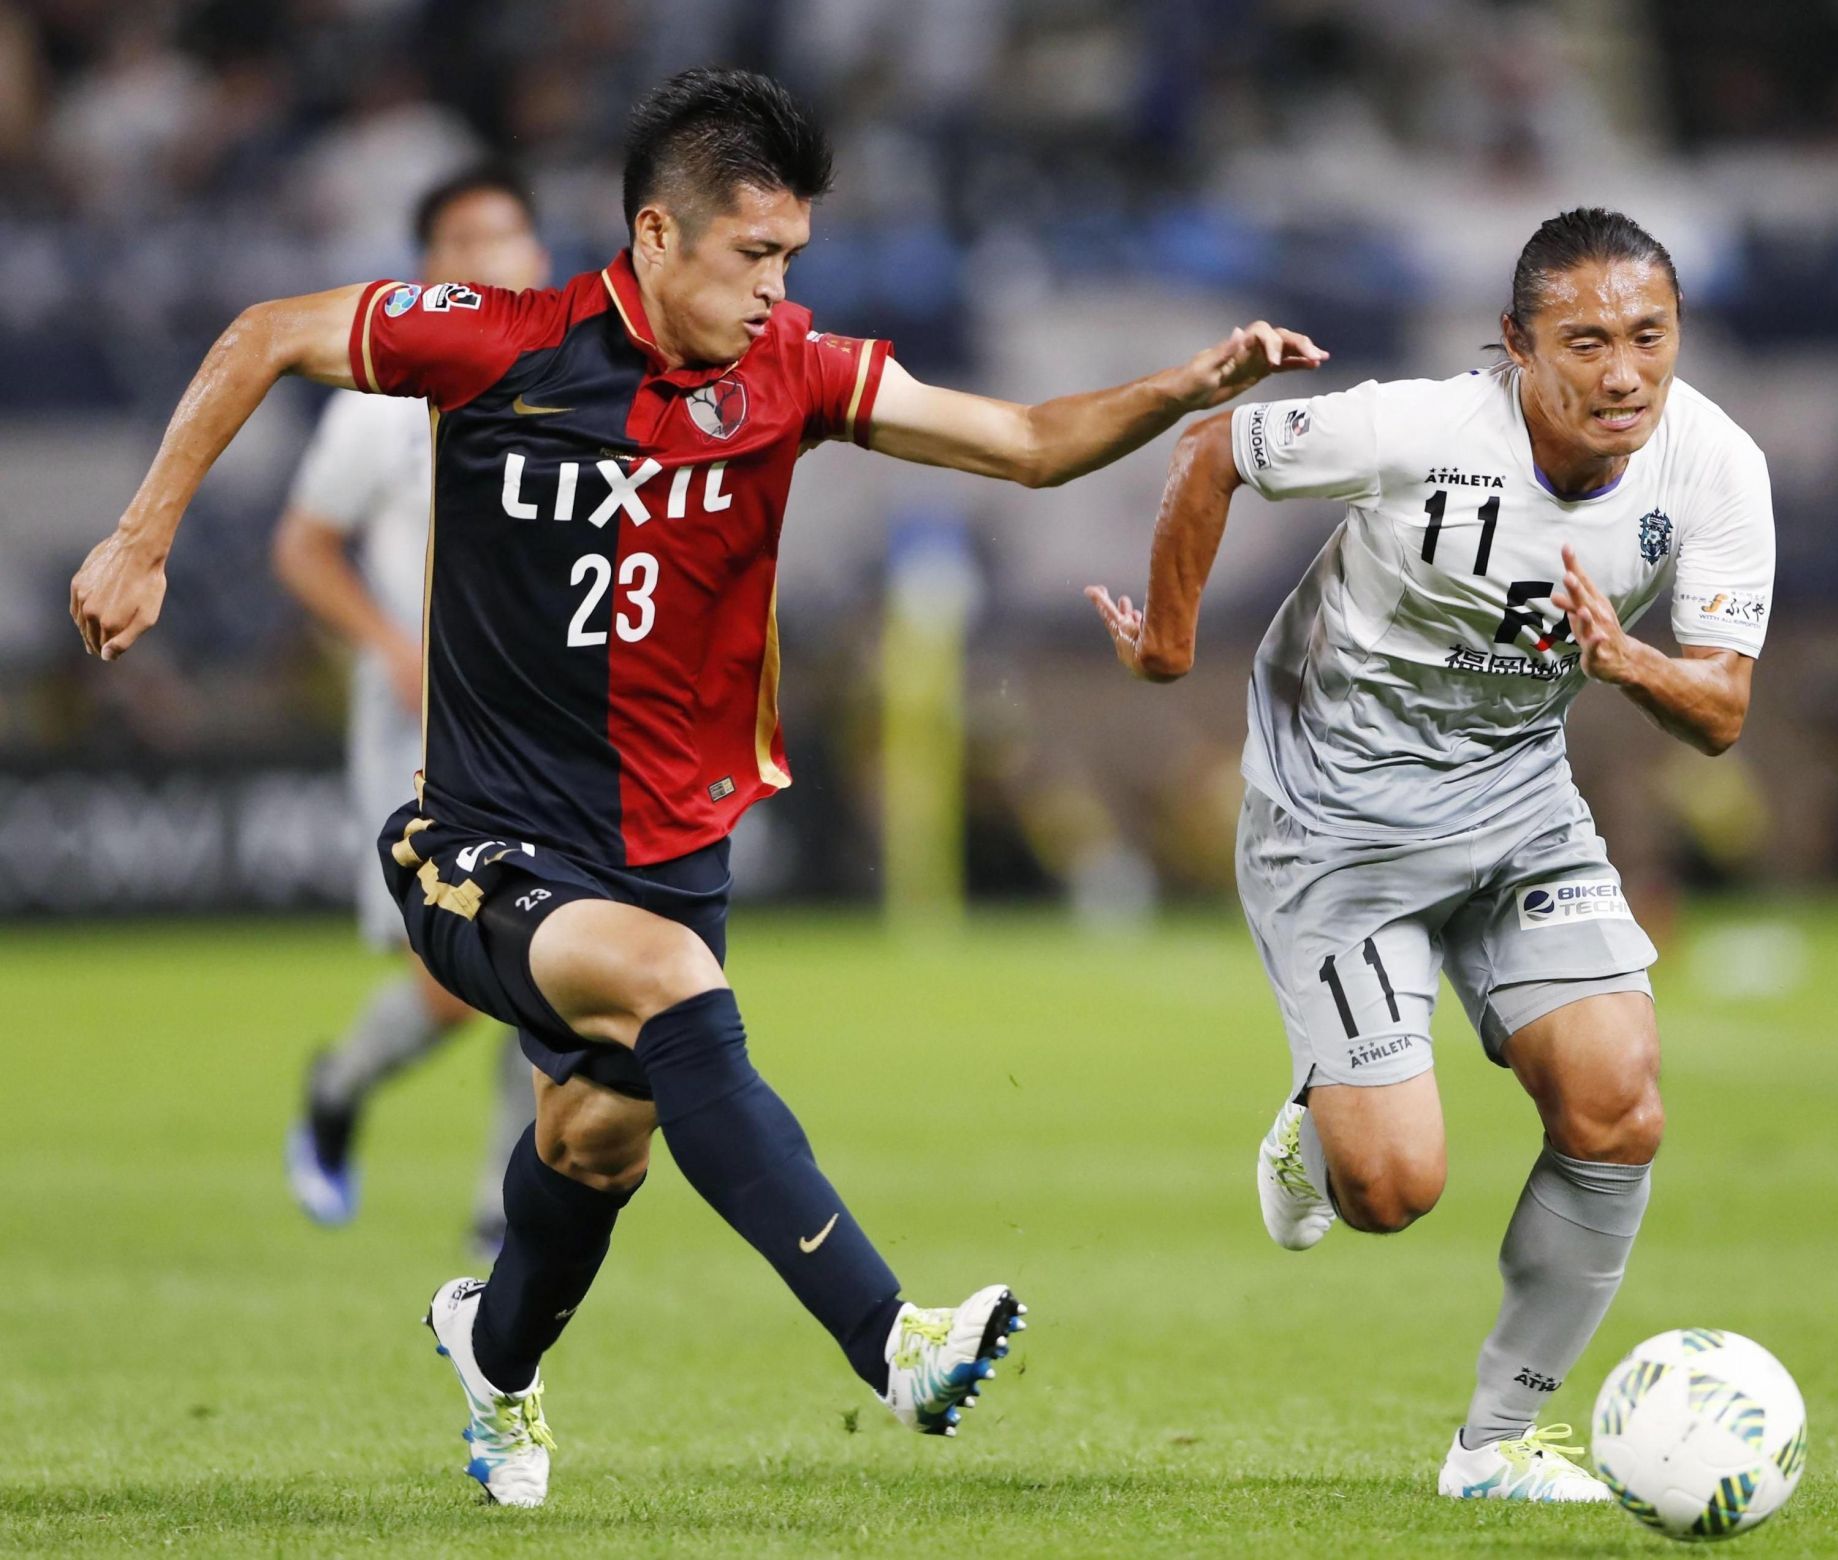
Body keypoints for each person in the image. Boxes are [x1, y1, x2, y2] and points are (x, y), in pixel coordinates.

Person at [69, 67, 1326, 1509]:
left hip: (668, 844)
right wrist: (141, 539)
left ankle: (495, 1358)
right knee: (670, 986)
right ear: (656, 237)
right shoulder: (501, 343)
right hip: (478, 836)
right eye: (755, 255)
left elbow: (1029, 446)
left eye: (792, 256)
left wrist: (1187, 386)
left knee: (594, 1147)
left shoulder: (791, 369)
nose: (778, 287)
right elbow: (262, 335)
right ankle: (892, 1341)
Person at [1087, 208, 1772, 1503]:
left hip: (1518, 807)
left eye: (1648, 336)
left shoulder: (1716, 468)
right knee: (1394, 1189)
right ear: (1517, 348)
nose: (1623, 372)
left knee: (1619, 1100)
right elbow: (1215, 447)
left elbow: (1726, 711)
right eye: (1584, 342)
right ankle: (1318, 1121)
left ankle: (1497, 1445)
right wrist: (1171, 643)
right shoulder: (1418, 430)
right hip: (1334, 822)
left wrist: (1625, 659)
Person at [278, 166, 548, 1254]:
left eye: (510, 233)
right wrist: (389, 643)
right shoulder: (380, 404)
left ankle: (502, 1211)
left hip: (538, 718)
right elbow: (301, 546)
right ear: (431, 270)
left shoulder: (575, 381)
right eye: (466, 240)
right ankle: (340, 1086)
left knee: (553, 954)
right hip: (420, 723)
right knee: (455, 985)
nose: (492, 255)